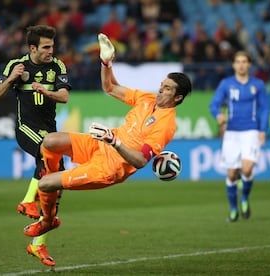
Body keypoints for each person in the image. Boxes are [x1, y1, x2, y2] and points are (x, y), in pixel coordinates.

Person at [22, 33, 192, 240]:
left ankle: (48, 221)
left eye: (167, 89)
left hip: (110, 168)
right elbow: (109, 87)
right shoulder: (147, 99)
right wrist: (106, 63)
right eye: (162, 85)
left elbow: (139, 161)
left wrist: (114, 141)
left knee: (45, 184)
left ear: (178, 97)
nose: (160, 90)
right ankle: (53, 182)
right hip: (101, 144)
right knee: (49, 141)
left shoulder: (166, 124)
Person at [0, 25, 71, 266]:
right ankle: (27, 201)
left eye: (52, 46)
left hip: (50, 132)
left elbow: (65, 96)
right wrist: (12, 78)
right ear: (33, 48)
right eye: (46, 47)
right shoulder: (16, 65)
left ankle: (38, 244)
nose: (51, 51)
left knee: (56, 186)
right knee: (47, 154)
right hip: (27, 128)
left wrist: (45, 91)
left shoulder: (58, 66)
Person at [209, 51, 270, 222]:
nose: (241, 64)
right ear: (234, 65)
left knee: (247, 168)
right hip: (232, 133)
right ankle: (233, 208)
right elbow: (214, 104)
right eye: (238, 61)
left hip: (250, 130)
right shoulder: (226, 84)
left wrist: (262, 130)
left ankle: (244, 197)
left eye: (244, 61)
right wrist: (219, 115)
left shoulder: (258, 85)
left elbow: (265, 108)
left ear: (249, 64)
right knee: (231, 174)